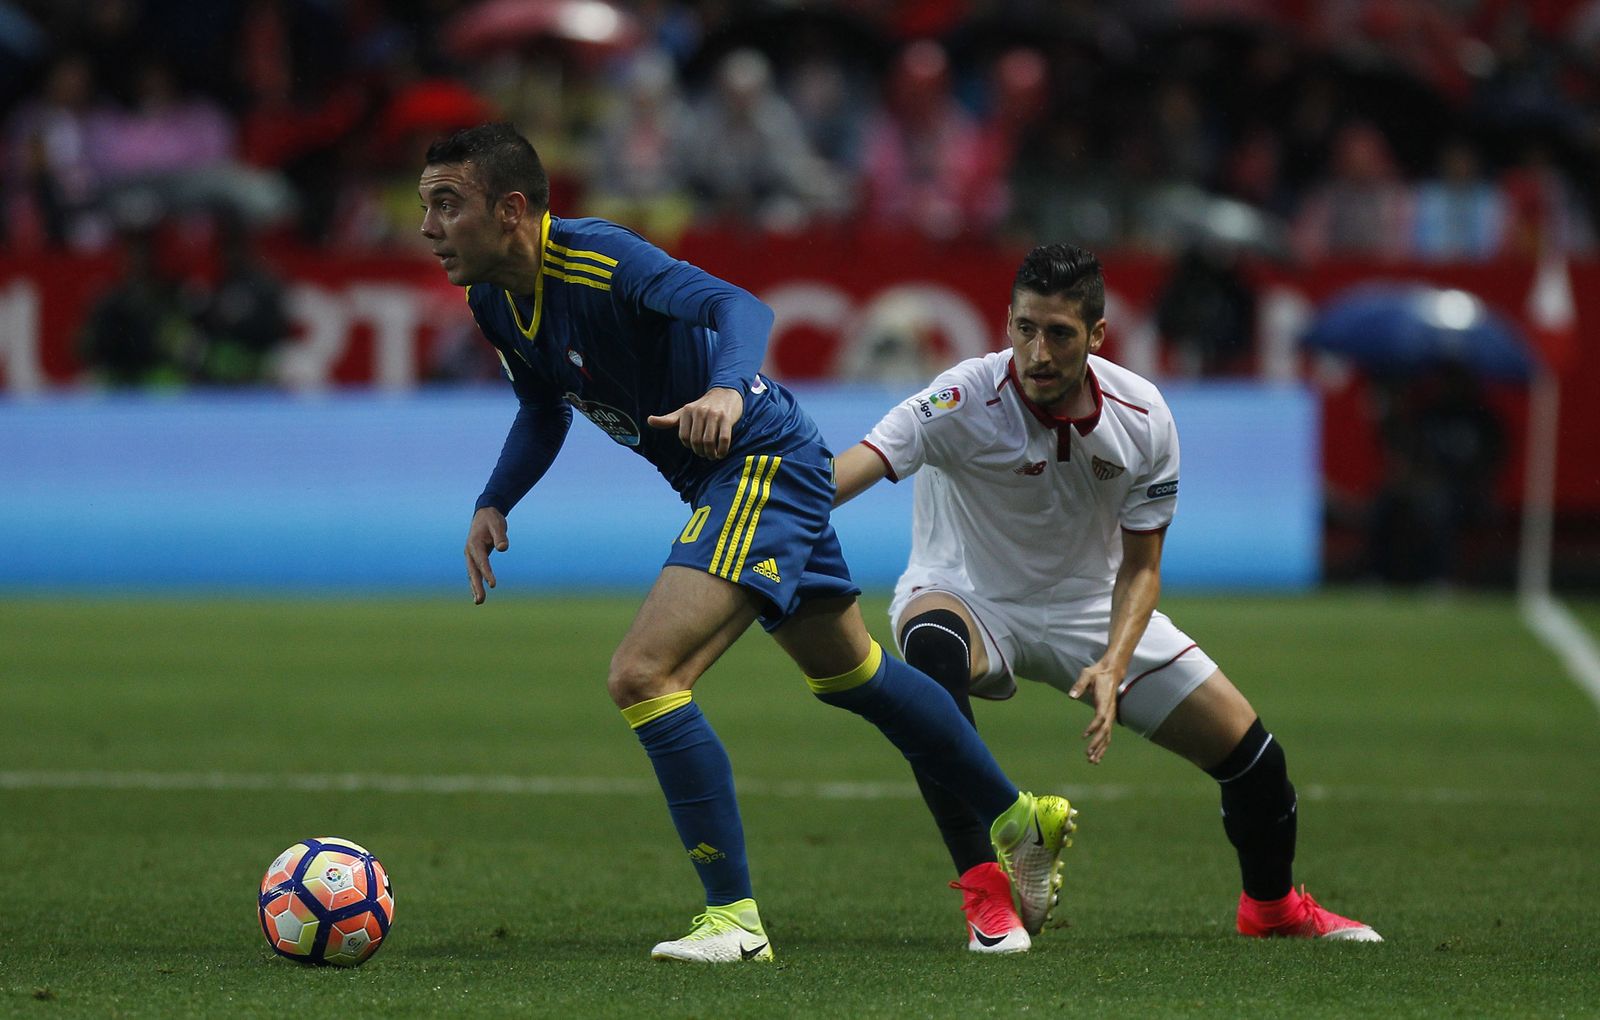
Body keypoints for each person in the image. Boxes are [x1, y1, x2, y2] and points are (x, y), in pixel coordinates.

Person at [417, 123, 1074, 963]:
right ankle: (1021, 816)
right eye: (428, 203)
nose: (429, 225)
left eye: (447, 204)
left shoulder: (598, 258)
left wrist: (725, 390)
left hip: (760, 460)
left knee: (644, 674)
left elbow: (740, 305)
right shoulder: (493, 301)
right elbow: (544, 407)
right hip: (735, 478)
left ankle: (734, 918)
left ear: (512, 210)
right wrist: (494, 499)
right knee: (854, 675)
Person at [832, 243, 1381, 952]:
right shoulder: (961, 397)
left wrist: (1117, 661)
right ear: (1006, 323)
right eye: (1025, 328)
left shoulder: (1143, 417)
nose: (1038, 352)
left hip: (1091, 611)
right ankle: (988, 892)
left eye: (1059, 333)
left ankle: (1272, 909)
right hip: (965, 593)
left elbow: (1144, 569)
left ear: (1095, 336)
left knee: (1256, 763)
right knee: (929, 662)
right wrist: (769, 502)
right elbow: (848, 471)